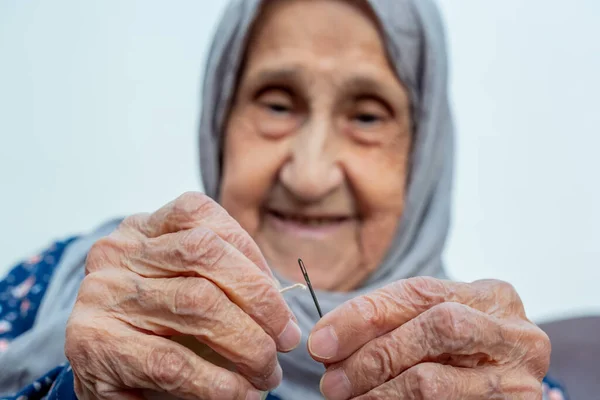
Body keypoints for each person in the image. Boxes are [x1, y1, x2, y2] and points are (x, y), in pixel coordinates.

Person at [0, 0, 567, 399]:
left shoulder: (497, 375)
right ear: (219, 122)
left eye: (367, 115)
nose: (309, 175)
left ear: (425, 156)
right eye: (276, 103)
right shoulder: (57, 288)